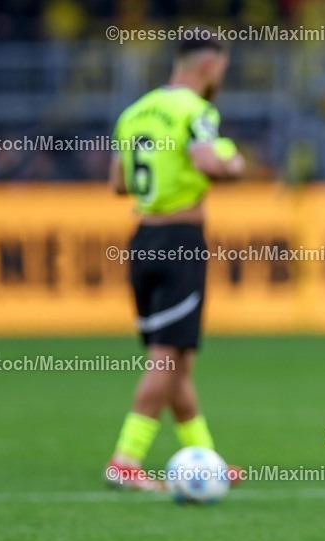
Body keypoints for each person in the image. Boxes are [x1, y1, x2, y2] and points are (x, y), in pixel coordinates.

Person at [104, 32, 245, 491]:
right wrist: (233, 160)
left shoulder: (134, 113)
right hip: (181, 239)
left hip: (142, 237)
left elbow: (118, 183)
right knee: (167, 357)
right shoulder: (195, 111)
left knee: (176, 359)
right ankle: (125, 459)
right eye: (222, 69)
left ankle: (208, 460)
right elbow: (209, 162)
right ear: (208, 66)